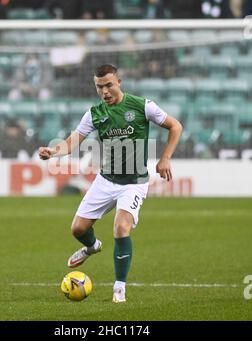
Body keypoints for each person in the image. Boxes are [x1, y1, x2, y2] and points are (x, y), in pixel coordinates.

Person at [39, 64, 182, 303]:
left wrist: (165, 158)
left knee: (121, 228)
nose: (104, 91)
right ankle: (92, 247)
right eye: (99, 86)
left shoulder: (142, 105)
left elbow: (175, 126)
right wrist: (53, 151)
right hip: (106, 180)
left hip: (134, 183)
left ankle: (119, 288)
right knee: (78, 229)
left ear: (119, 82)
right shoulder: (94, 113)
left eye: (108, 85)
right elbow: (72, 142)